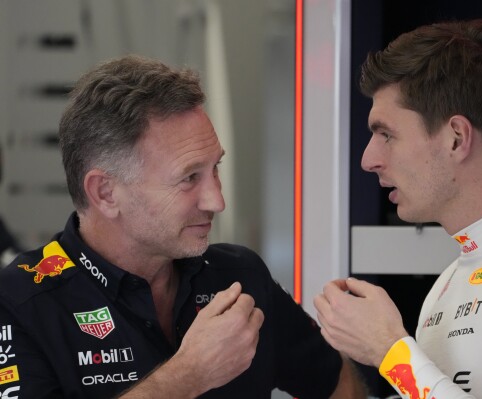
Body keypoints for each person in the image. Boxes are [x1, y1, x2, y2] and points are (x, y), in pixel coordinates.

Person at [0, 55, 367, 398]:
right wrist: (188, 376)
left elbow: (338, 384)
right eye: (189, 177)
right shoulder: (19, 302)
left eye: (215, 169)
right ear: (106, 193)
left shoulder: (239, 277)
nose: (217, 201)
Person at [314, 19, 482, 399]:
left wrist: (390, 351)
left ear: (456, 139)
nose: (368, 160)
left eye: (386, 134)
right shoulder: (449, 281)